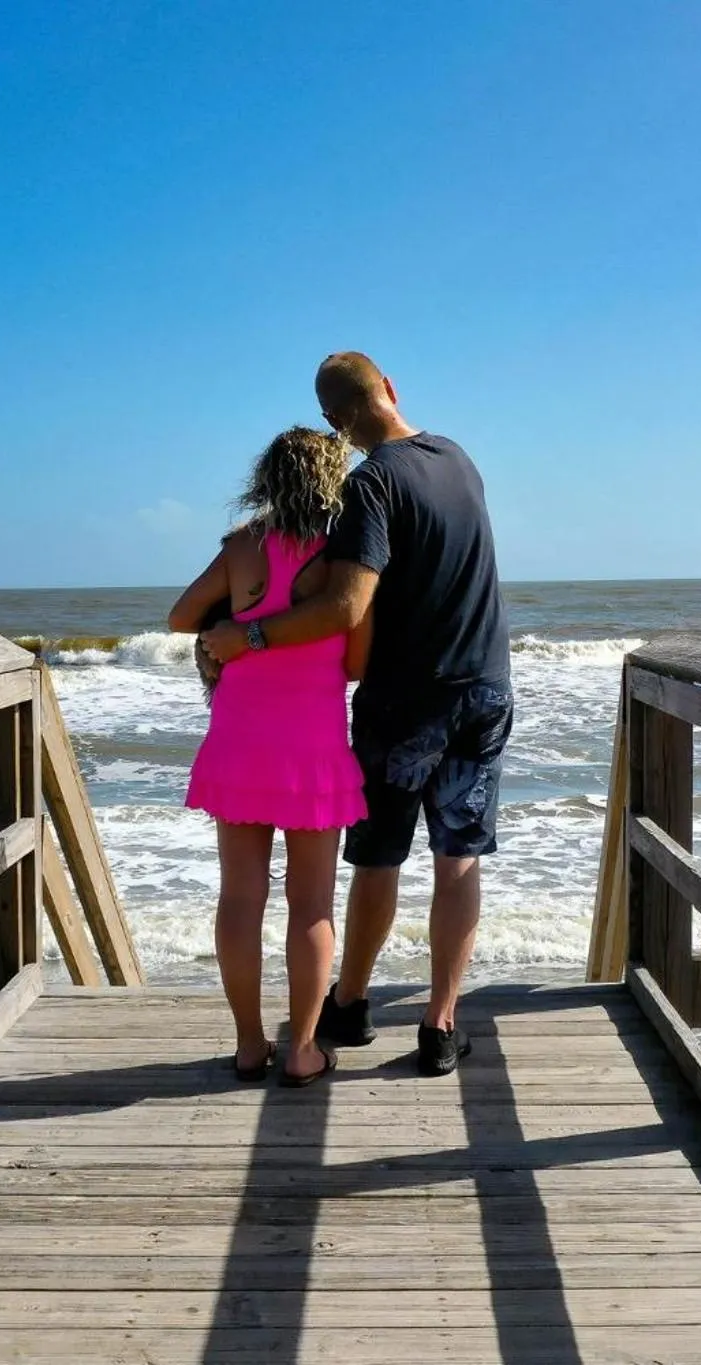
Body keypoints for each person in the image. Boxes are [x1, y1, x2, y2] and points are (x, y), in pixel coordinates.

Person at [204, 353, 511, 1076]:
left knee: (380, 857)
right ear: (392, 389)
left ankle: (353, 1001)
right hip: (486, 685)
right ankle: (439, 1024)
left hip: (407, 699)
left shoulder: (370, 484)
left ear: (334, 424)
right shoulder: (459, 458)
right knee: (459, 855)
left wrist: (245, 635)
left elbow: (345, 606)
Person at [170, 426, 372, 1087]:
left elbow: (179, 615)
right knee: (311, 903)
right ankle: (303, 1049)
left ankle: (250, 1044)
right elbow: (358, 659)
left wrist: (230, 628)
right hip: (310, 747)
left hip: (238, 742)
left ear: (267, 477)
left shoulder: (240, 546)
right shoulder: (349, 559)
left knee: (240, 897)